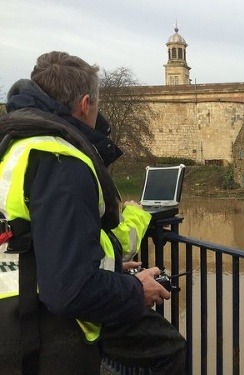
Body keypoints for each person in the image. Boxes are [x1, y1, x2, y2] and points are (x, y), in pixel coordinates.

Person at [0, 51, 186, 374]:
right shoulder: (61, 160)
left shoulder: (16, 144)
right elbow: (68, 288)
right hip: (39, 332)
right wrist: (136, 289)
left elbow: (41, 236)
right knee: (172, 351)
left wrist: (110, 262)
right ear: (86, 104)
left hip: (17, 312)